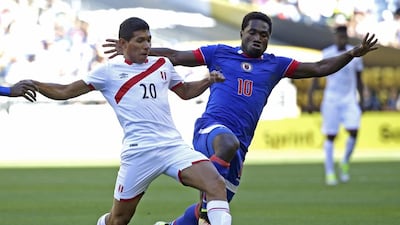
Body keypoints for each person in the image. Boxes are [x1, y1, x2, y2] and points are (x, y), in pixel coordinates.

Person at [103, 11, 378, 225]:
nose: (258, 38)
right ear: (242, 33)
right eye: (253, 32)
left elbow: (318, 67)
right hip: (211, 132)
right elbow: (175, 56)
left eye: (264, 34)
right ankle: (209, 204)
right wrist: (138, 50)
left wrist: (353, 53)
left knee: (214, 203)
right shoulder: (219, 53)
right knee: (224, 152)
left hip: (239, 145)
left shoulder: (275, 64)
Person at [20, 17, 232, 225]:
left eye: (149, 40)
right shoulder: (109, 72)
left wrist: (207, 80)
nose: (147, 45)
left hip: (172, 147)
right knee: (119, 219)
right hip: (139, 152)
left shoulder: (162, 65)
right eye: (140, 40)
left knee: (215, 184)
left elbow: (185, 92)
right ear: (123, 44)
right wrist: (35, 84)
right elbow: (65, 91)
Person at [307, 25, 365, 186]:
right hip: (331, 99)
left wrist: (363, 101)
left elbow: (360, 79)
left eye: (344, 36)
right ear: (335, 37)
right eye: (339, 36)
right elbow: (316, 76)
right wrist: (310, 100)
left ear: (347, 37)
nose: (342, 39)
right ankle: (330, 172)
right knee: (331, 136)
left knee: (354, 131)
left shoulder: (356, 54)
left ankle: (345, 161)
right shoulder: (328, 52)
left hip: (349, 99)